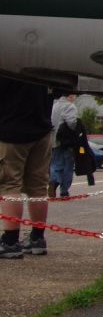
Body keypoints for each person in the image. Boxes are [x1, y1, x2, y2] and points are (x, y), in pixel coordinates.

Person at [0, 76, 53, 258]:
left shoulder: (8, 62)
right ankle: (37, 238)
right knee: (38, 187)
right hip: (42, 129)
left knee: (9, 184)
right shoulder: (40, 62)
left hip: (11, 131)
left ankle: (10, 241)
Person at [49, 92, 78, 198]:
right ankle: (64, 190)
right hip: (66, 141)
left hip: (53, 140)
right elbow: (72, 123)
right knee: (68, 166)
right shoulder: (69, 106)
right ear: (69, 95)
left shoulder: (54, 105)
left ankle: (53, 180)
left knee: (55, 163)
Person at [74, 119, 97, 186]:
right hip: (83, 147)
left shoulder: (75, 124)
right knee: (88, 163)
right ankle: (91, 181)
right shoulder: (79, 123)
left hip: (79, 147)